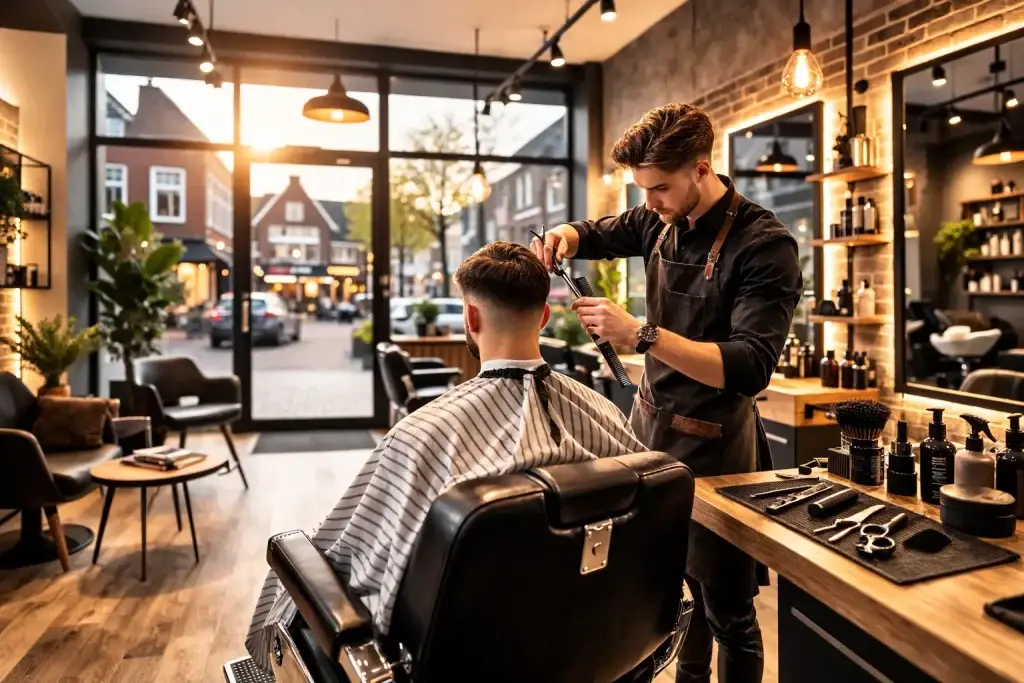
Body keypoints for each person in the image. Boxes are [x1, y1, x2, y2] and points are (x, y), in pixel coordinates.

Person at [244, 241, 646, 673]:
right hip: (592, 644)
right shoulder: (606, 415)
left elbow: (349, 553)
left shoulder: (423, 434)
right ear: (545, 317)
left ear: (470, 318)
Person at [531, 103, 803, 683]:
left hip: (717, 448)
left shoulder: (763, 244)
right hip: (653, 432)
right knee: (675, 597)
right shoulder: (660, 218)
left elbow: (750, 366)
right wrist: (565, 235)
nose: (649, 202)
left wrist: (641, 335)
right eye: (643, 189)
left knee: (728, 610)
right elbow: (602, 232)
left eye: (660, 188)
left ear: (701, 170)